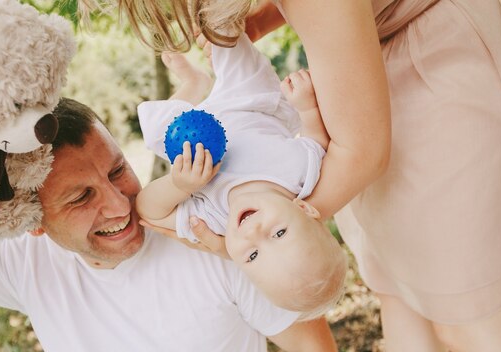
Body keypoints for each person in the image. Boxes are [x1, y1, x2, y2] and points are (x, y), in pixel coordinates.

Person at [91, 0, 501, 352]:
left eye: (252, 254)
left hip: (439, 53)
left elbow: (360, 154)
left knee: (470, 324)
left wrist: (252, 233)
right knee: (395, 286)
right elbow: (321, 141)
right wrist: (285, 217)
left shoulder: (234, 213)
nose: (254, 236)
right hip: (363, 64)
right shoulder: (295, 181)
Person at [0, 97, 345, 352]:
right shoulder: (22, 258)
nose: (120, 206)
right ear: (35, 220)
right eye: (82, 197)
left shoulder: (216, 239)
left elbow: (312, 351)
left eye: (118, 171)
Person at [135, 34, 346, 318]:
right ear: (304, 208)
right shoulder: (300, 175)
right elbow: (315, 140)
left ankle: (194, 85)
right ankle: (218, 20)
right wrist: (307, 107)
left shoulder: (214, 219)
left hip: (191, 137)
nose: (252, 233)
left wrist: (178, 185)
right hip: (250, 104)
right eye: (279, 233)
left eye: (252, 256)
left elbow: (148, 211)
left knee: (155, 129)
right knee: (228, 42)